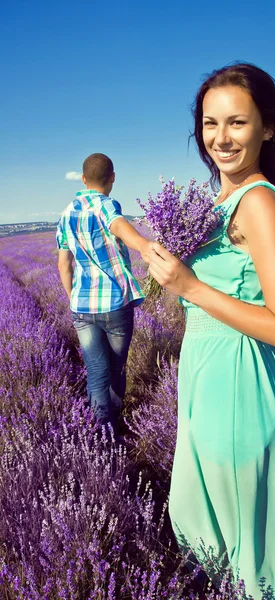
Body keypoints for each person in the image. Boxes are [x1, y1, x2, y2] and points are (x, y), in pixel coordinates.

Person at [147, 63, 275, 598]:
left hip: (238, 386)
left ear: (267, 128)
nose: (221, 138)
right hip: (204, 377)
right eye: (209, 123)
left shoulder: (260, 201)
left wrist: (189, 286)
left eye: (237, 123)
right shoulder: (217, 200)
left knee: (244, 547)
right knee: (211, 534)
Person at [56, 153, 152, 430]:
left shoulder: (66, 214)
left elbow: (64, 265)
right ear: (112, 178)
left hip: (82, 307)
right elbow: (118, 225)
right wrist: (144, 245)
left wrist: (73, 298)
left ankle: (101, 431)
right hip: (114, 303)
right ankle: (114, 419)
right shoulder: (107, 205)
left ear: (83, 179)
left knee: (96, 371)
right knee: (115, 368)